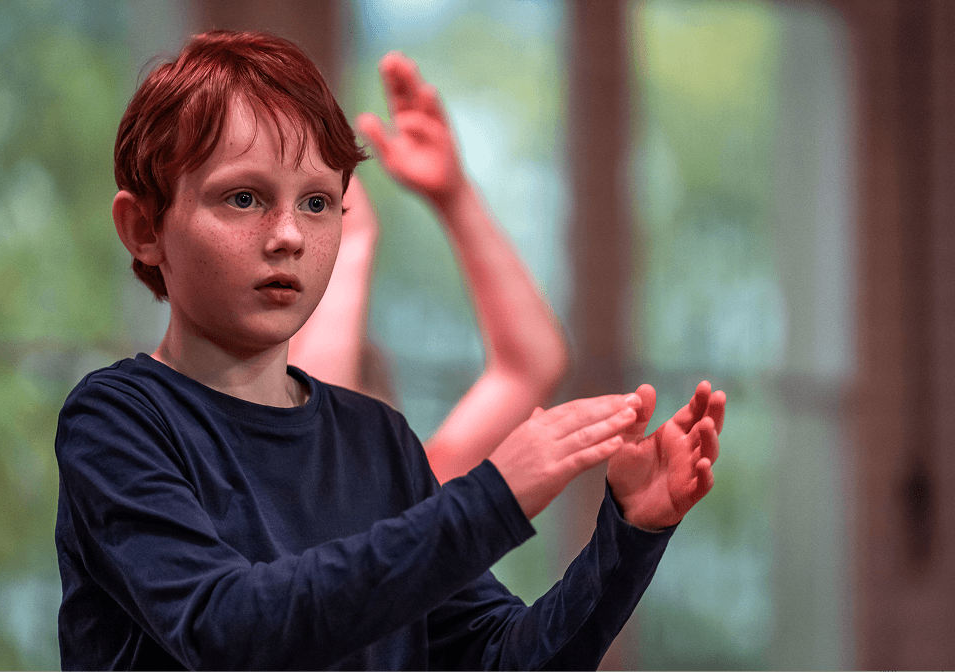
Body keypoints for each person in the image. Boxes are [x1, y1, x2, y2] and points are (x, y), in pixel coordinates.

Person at [54, 30, 725, 671]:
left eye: (318, 203)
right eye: (244, 197)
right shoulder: (115, 420)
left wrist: (628, 536)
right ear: (144, 228)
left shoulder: (378, 440)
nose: (289, 235)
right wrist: (494, 499)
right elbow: (226, 630)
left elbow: (502, 658)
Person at [287, 51, 569, 483]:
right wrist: (352, 244)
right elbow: (307, 448)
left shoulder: (411, 498)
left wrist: (455, 197)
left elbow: (529, 368)